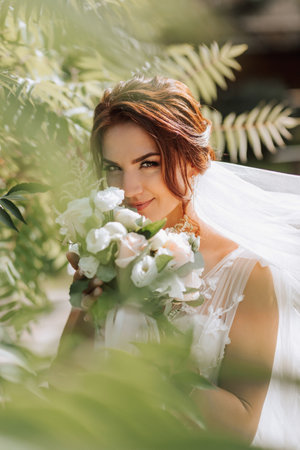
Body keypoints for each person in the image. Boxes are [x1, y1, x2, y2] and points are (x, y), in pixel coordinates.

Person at [64, 76, 300, 448]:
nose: (128, 188)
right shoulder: (111, 256)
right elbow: (62, 381)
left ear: (195, 160)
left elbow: (240, 428)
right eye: (113, 167)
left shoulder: (250, 273)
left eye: (148, 163)